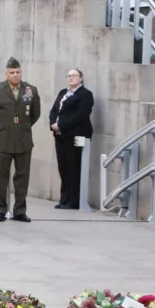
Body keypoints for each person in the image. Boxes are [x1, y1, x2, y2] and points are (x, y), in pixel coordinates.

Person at [0, 57, 41, 223]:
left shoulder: (31, 90)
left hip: (23, 139)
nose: (15, 75)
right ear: (6, 74)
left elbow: (35, 114)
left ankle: (20, 211)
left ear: (21, 73)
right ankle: (0, 209)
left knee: (22, 176)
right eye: (12, 72)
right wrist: (2, 127)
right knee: (1, 177)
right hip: (2, 139)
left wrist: (21, 126)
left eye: (18, 72)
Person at [49, 69, 94, 210]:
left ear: (81, 78)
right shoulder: (63, 92)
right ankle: (64, 198)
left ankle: (74, 201)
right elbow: (54, 110)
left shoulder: (85, 94)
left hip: (75, 135)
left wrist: (61, 124)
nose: (71, 78)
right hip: (60, 135)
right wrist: (53, 124)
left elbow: (81, 115)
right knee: (63, 167)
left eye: (74, 75)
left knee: (74, 167)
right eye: (68, 75)